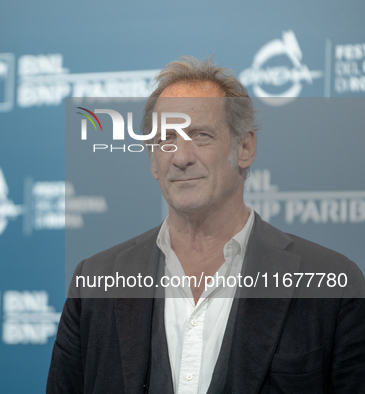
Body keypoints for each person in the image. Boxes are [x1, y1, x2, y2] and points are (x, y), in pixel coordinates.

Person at [47, 56, 365, 394]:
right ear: (153, 159)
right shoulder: (95, 284)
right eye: (166, 138)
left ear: (245, 147)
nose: (181, 157)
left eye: (200, 135)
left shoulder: (333, 284)